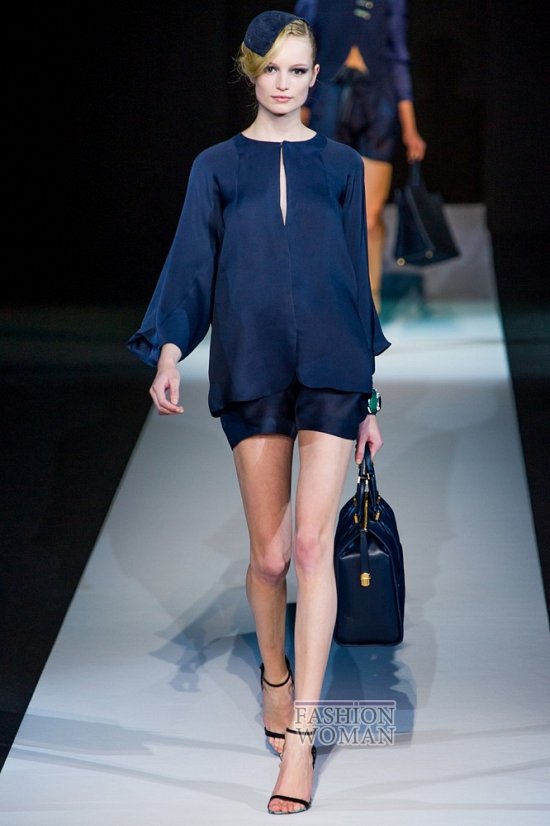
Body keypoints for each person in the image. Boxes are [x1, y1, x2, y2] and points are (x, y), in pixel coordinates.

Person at [127, 10, 390, 815]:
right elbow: (191, 267)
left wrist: (370, 397)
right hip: (251, 369)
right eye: (271, 68)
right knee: (271, 558)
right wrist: (169, 351)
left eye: (297, 69)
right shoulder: (216, 167)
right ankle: (274, 673)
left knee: (313, 547)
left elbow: (355, 281)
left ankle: (302, 736)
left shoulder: (342, 165)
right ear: (252, 73)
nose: (284, 82)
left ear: (316, 77)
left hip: (332, 372)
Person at [294, 0, 426, 311]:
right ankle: (329, 298)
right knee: (328, 209)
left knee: (370, 216)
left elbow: (398, 56)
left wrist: (410, 127)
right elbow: (301, 50)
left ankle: (371, 302)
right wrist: (300, 110)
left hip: (377, 101)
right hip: (327, 98)